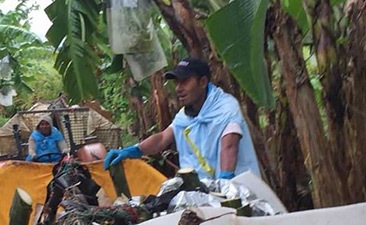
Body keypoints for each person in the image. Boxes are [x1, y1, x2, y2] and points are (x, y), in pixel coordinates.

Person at [104, 57, 260, 180]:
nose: (178, 88)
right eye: (177, 82)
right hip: (205, 189)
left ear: (202, 82)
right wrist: (134, 150)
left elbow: (230, 145)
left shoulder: (226, 107)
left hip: (238, 186)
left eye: (184, 81)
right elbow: (163, 138)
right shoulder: (186, 114)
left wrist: (225, 179)